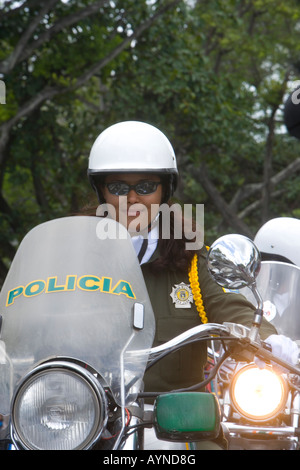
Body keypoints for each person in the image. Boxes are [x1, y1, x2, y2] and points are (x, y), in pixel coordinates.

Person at [86, 121, 298, 448]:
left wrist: (272, 342)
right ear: (101, 191)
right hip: (87, 419)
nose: (131, 198)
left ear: (164, 191)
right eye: (117, 187)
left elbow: (237, 311)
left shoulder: (193, 261)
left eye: (144, 186)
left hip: (178, 423)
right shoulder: (80, 259)